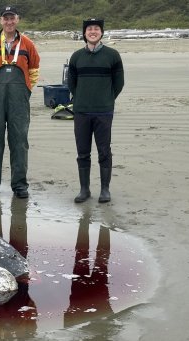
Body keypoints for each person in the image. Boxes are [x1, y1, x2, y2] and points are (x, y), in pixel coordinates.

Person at [0, 5, 40, 199]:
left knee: (19, 141)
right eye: (6, 18)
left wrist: (26, 90)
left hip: (19, 99)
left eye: (12, 18)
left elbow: (34, 70)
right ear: (0, 21)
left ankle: (20, 185)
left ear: (18, 20)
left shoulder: (28, 44)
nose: (9, 22)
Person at [68, 18, 124, 203]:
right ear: (84, 33)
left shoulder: (113, 55)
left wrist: (106, 99)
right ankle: (84, 190)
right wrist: (82, 99)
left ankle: (105, 190)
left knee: (104, 151)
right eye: (89, 29)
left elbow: (119, 83)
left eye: (96, 29)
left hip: (104, 111)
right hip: (82, 111)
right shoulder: (76, 57)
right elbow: (71, 83)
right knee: (82, 152)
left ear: (101, 32)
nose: (93, 31)